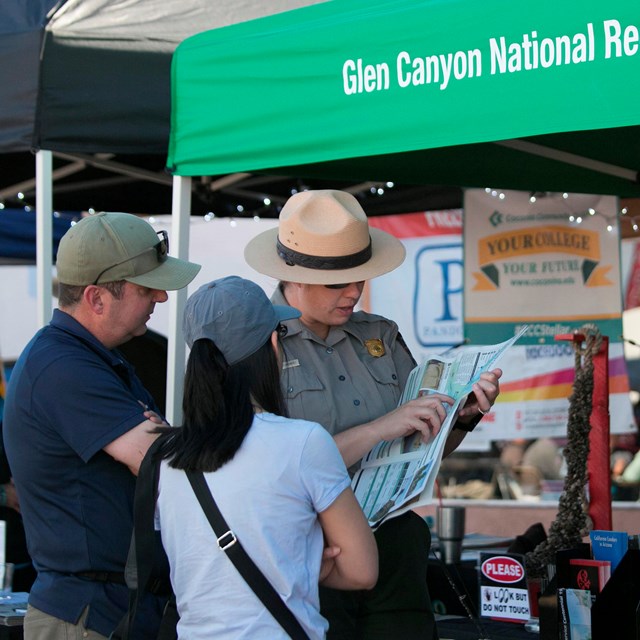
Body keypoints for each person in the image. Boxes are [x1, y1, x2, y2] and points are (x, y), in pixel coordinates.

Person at [245, 189, 502, 640]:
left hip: (394, 544)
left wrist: (460, 416)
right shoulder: (256, 345)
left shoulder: (379, 335)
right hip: (310, 551)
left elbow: (418, 445)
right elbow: (261, 468)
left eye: (360, 278)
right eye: (337, 283)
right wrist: (378, 428)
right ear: (295, 277)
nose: (353, 292)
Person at [3, 212, 200, 639]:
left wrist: (166, 439)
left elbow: (162, 452)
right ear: (96, 298)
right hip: (90, 614)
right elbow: (165, 463)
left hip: (111, 608)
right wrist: (168, 442)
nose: (160, 299)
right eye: (147, 288)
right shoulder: (64, 366)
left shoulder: (86, 357)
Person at [153, 276, 378, 639]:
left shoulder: (166, 456)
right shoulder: (302, 442)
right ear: (273, 345)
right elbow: (362, 570)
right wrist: (305, 563)